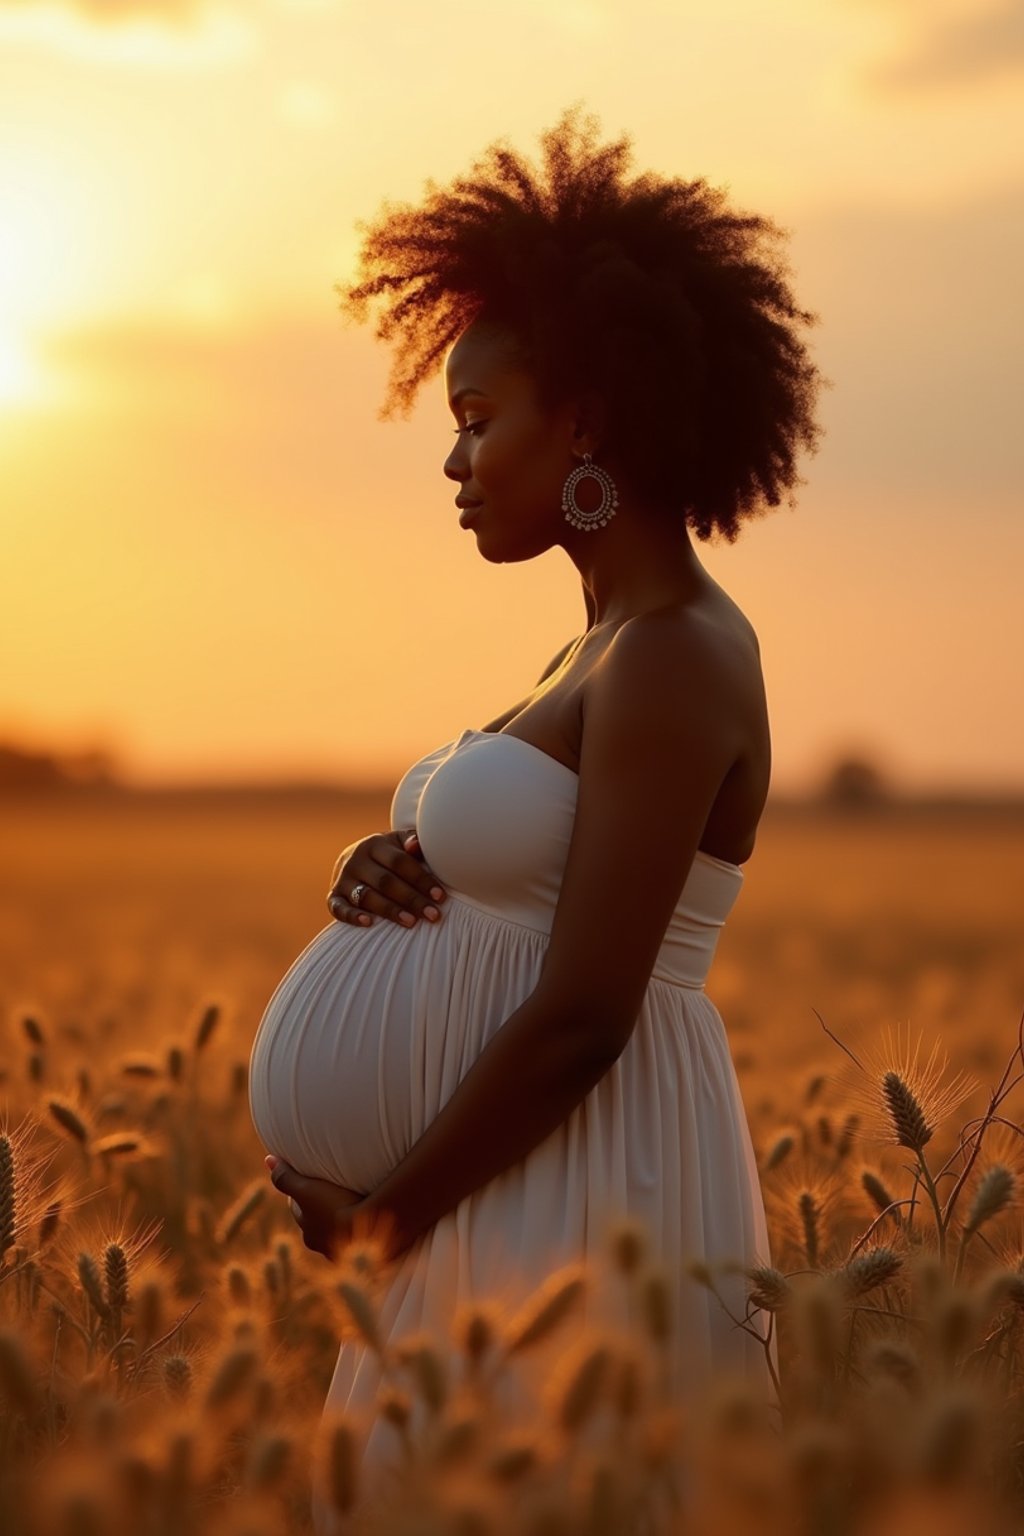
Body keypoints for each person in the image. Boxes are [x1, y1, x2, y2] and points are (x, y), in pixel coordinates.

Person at [248, 104, 824, 1531]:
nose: (453, 463)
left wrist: (384, 1225)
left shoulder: (679, 651)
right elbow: (532, 868)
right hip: (484, 1190)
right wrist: (386, 861)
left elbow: (584, 1015)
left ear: (585, 421)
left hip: (573, 1190)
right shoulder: (595, 647)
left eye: (474, 421)